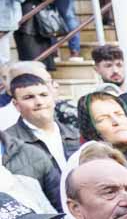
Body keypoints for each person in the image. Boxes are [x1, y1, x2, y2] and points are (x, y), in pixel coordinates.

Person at [1, 71, 74, 204]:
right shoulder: (9, 144)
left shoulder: (76, 134)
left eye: (43, 95)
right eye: (29, 97)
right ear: (16, 104)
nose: (39, 102)